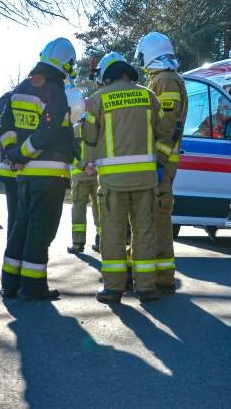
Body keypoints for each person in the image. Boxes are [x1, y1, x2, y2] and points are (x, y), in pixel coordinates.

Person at [81, 52, 174, 304]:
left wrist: (86, 163)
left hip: (112, 182)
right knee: (144, 232)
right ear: (128, 74)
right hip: (146, 180)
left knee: (112, 233)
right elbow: (166, 132)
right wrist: (161, 161)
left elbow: (88, 136)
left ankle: (113, 289)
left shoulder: (97, 100)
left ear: (108, 77)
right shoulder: (148, 96)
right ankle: (146, 288)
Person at [0, 37, 78, 301]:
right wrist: (23, 153)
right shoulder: (54, 91)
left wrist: (14, 155)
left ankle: (10, 283)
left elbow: (7, 127)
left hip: (23, 174)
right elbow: (47, 131)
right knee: (41, 230)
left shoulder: (20, 88)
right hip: (49, 173)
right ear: (64, 63)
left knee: (21, 226)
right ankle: (33, 287)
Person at [135, 31, 188, 294]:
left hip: (161, 161)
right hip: (161, 159)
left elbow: (169, 124)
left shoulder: (165, 80)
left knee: (158, 217)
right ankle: (160, 275)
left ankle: (162, 277)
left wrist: (157, 159)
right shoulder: (163, 78)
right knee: (157, 216)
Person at [67, 121, 99, 254]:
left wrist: (83, 165)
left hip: (80, 174)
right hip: (99, 173)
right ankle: (102, 241)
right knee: (101, 207)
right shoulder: (100, 126)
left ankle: (78, 243)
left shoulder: (74, 129)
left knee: (79, 208)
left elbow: (68, 151)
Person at [0, 91, 20, 236]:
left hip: (8, 169)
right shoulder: (12, 117)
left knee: (14, 213)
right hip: (16, 168)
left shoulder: (4, 118)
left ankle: (13, 248)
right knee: (18, 214)